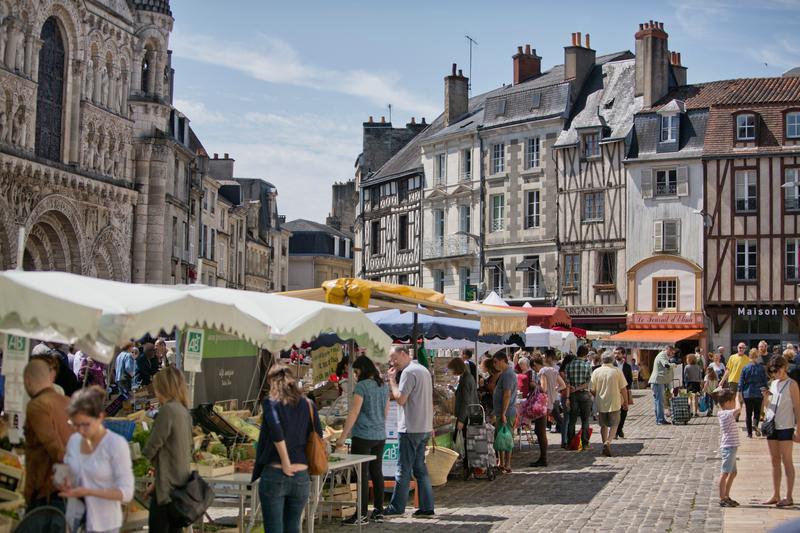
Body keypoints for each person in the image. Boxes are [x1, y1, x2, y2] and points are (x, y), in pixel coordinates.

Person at [254, 364, 323, 532]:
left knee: (274, 528)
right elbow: (318, 434)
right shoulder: (308, 404)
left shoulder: (270, 403)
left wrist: (285, 461)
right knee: (293, 526)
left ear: (272, 382)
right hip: (301, 475)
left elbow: (277, 430)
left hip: (276, 472)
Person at [60, 386, 135, 532]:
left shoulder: (116, 444)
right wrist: (64, 479)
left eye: (85, 424)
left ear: (100, 417)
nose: (81, 430)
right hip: (74, 522)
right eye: (75, 424)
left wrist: (88, 492)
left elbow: (126, 493)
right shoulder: (74, 440)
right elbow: (67, 468)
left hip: (105, 524)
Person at [336, 356, 389, 525]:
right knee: (377, 473)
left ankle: (362, 514)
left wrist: (343, 436)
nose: (355, 375)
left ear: (363, 370)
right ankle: (379, 511)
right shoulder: (383, 386)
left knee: (361, 475)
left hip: (363, 436)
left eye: (357, 371)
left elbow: (354, 412)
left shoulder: (362, 386)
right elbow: (386, 412)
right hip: (380, 435)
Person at [385, 347, 434, 518]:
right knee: (420, 469)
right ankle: (427, 507)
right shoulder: (423, 370)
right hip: (424, 426)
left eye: (394, 358)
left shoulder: (408, 372)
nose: (393, 363)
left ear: (404, 354)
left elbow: (401, 399)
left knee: (403, 469)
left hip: (410, 428)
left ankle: (397, 507)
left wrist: (392, 381)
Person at [143, 367, 193, 533]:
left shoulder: (167, 411)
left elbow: (152, 446)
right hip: (179, 487)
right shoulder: (184, 411)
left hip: (167, 490)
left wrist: (138, 461)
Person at [23, 359, 73, 512]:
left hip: (47, 493)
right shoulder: (68, 402)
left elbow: (55, 448)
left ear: (27, 381)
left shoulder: (37, 405)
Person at [761, 356, 800, 507]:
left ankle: (789, 496)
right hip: (772, 425)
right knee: (774, 460)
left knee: (787, 461)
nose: (774, 374)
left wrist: (798, 429)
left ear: (784, 367)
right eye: (771, 371)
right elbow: (768, 406)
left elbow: (797, 408)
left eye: (775, 370)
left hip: (786, 426)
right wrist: (765, 399)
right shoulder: (773, 383)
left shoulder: (792, 384)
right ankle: (775, 494)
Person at [591, 353, 628, 457]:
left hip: (601, 402)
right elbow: (623, 388)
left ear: (602, 360)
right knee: (615, 424)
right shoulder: (617, 371)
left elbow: (591, 389)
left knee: (603, 425)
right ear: (612, 360)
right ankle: (608, 442)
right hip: (614, 401)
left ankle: (604, 444)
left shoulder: (596, 372)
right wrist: (625, 401)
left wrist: (598, 395)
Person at [712, 388, 742, 508]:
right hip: (728, 447)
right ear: (728, 402)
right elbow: (738, 410)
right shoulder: (725, 414)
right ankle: (722, 497)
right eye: (733, 401)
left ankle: (726, 495)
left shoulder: (724, 413)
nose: (735, 403)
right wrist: (738, 398)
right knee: (725, 473)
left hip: (732, 447)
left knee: (733, 473)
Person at [448, 357, 478, 477]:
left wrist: (461, 420)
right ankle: (468, 467)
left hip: (466, 415)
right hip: (469, 413)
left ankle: (467, 468)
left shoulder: (466, 379)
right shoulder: (467, 377)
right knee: (467, 442)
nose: (452, 372)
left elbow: (466, 401)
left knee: (466, 442)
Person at [490, 352, 517, 472]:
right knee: (500, 437)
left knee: (506, 437)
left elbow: (507, 394)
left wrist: (503, 413)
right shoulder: (504, 373)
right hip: (502, 411)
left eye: (495, 362)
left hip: (506, 412)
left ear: (502, 361)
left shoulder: (508, 374)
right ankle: (501, 462)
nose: (494, 364)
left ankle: (507, 464)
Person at [565, 346, 594, 451]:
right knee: (585, 420)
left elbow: (567, 383)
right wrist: (578, 388)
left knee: (572, 420)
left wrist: (567, 397)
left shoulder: (569, 365)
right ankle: (585, 443)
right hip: (584, 395)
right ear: (586, 354)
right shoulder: (587, 365)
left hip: (572, 395)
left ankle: (571, 443)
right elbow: (587, 383)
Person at [738, 348, 769, 438]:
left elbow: (741, 382)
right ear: (758, 356)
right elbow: (765, 381)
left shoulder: (745, 368)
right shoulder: (761, 368)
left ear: (749, 357)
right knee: (757, 412)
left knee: (748, 413)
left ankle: (749, 433)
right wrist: (766, 390)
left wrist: (740, 393)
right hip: (758, 393)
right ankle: (755, 424)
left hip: (747, 393)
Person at [528, 354, 551, 467]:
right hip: (546, 404)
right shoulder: (548, 370)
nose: (534, 370)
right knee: (539, 431)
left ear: (535, 364)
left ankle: (543, 458)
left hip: (541, 405)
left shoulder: (542, 372)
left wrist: (534, 385)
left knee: (540, 432)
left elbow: (543, 388)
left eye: (533, 367)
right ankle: (543, 457)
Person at [540, 349, 565, 435]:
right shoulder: (546, 368)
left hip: (554, 396)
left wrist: (555, 389)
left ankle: (564, 430)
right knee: (554, 414)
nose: (544, 358)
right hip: (551, 396)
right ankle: (559, 429)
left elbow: (562, 382)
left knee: (556, 415)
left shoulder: (555, 368)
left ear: (550, 357)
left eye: (545, 356)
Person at [649, 346, 674, 425]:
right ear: (668, 350)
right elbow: (666, 365)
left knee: (658, 401)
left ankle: (659, 419)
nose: (672, 354)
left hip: (659, 381)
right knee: (660, 401)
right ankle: (660, 420)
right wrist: (673, 365)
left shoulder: (663, 355)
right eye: (671, 352)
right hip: (658, 381)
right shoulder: (662, 355)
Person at [614, 347, 633, 439]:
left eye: (618, 353)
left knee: (624, 411)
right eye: (615, 353)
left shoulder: (627, 366)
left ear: (623, 354)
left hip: (624, 391)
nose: (616, 355)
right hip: (613, 391)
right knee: (615, 412)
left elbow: (630, 380)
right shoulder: (612, 365)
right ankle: (615, 431)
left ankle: (619, 429)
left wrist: (626, 389)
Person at [558, 353, 575, 449]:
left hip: (565, 395)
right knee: (567, 418)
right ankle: (565, 440)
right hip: (566, 396)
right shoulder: (564, 372)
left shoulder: (562, 370)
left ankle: (565, 440)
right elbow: (567, 384)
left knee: (567, 418)